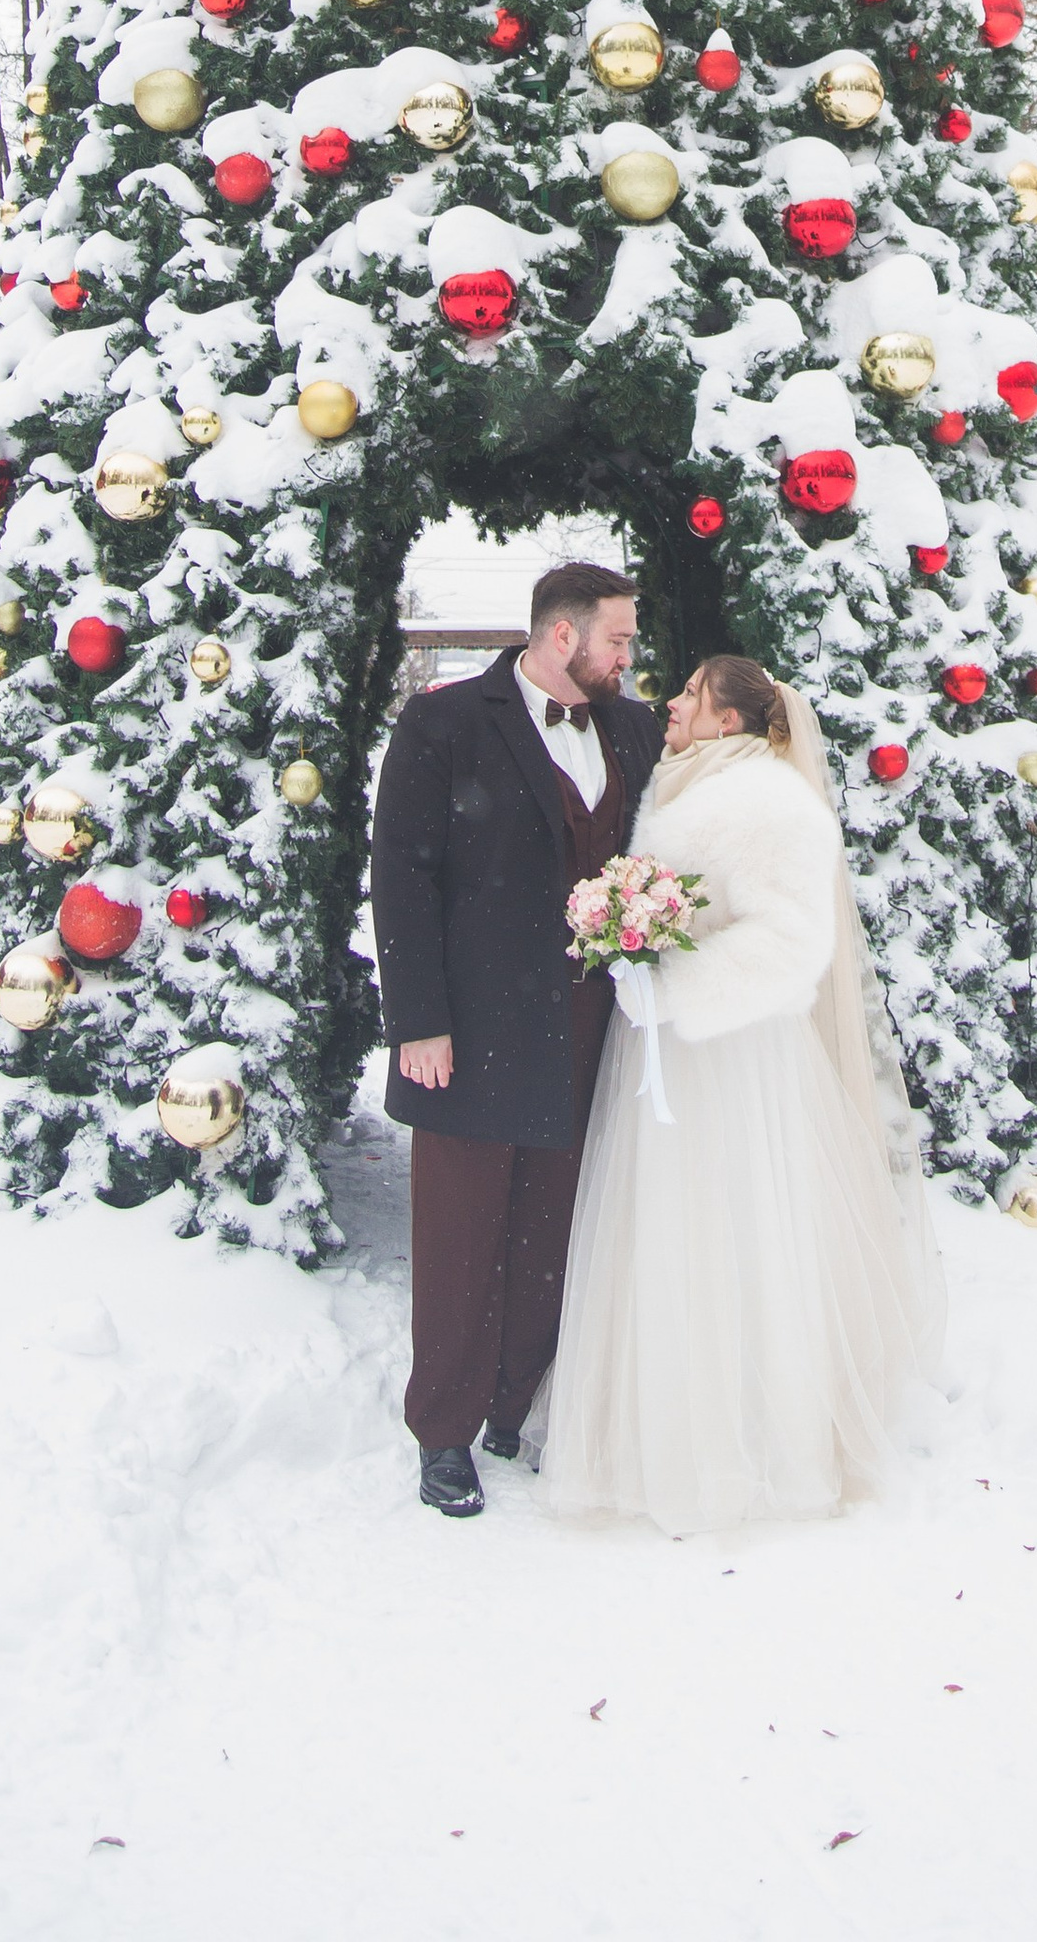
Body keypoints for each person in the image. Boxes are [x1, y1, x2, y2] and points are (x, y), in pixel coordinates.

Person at [543, 649, 946, 1535]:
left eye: (690, 693)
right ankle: (665, 1426)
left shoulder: (766, 800)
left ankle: (757, 1438)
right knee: (671, 1231)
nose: (672, 703)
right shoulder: (681, 784)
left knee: (742, 1230)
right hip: (671, 1055)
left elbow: (791, 940)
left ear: (730, 720)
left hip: (736, 1057)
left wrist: (674, 987)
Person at [369, 559, 662, 1518]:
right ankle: (443, 1431)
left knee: (554, 1226)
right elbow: (401, 877)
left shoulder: (633, 728)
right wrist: (419, 1021)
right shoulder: (444, 724)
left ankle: (517, 1405)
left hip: (588, 1026)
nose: (629, 655)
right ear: (561, 635)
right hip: (468, 1028)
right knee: (461, 1233)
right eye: (617, 637)